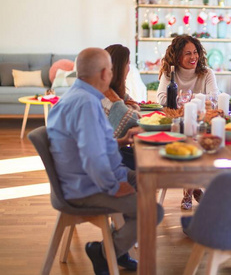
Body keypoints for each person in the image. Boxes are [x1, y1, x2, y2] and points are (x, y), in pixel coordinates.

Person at [47, 47, 164, 275]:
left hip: (88, 176)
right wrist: (112, 186)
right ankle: (104, 252)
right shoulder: (87, 104)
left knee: (146, 181)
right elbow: (92, 156)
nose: (112, 74)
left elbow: (91, 144)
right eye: (110, 70)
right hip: (86, 187)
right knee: (153, 211)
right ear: (103, 73)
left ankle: (114, 250)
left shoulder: (80, 96)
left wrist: (120, 142)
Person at [157, 34, 219, 210]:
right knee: (186, 142)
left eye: (195, 52)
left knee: (198, 142)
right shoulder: (170, 73)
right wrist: (196, 99)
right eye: (187, 53)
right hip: (176, 123)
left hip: (201, 123)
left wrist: (183, 98)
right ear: (177, 56)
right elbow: (162, 98)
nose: (193, 57)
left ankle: (190, 189)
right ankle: (192, 187)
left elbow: (214, 97)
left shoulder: (206, 73)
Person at [103, 44, 141, 169]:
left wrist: (123, 102)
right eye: (127, 64)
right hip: (102, 162)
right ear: (119, 68)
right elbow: (132, 118)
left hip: (106, 152)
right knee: (149, 163)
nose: (129, 69)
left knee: (144, 157)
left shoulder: (109, 90)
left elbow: (132, 104)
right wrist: (122, 103)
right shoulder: (106, 95)